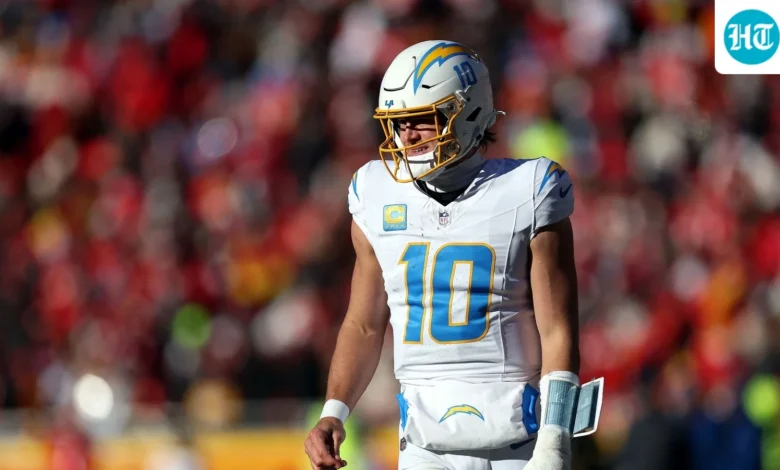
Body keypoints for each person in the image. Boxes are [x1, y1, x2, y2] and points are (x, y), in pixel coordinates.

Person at [304, 40, 582, 470]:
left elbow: (558, 327)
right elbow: (363, 323)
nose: (407, 136)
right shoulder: (374, 193)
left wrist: (555, 438)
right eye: (399, 123)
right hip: (424, 444)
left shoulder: (529, 188)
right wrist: (334, 411)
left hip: (518, 438)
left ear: (468, 112)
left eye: (423, 120)